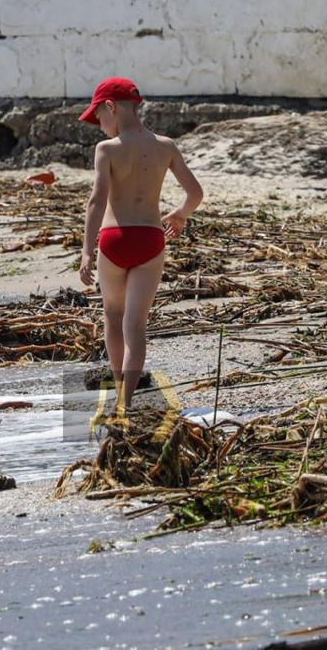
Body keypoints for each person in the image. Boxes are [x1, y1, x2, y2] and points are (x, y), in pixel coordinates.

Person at [78, 77, 204, 413]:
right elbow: (196, 193)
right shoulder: (166, 145)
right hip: (150, 239)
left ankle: (117, 390)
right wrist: (179, 215)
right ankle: (127, 401)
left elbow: (96, 200)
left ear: (111, 107)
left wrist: (86, 250)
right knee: (136, 325)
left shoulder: (107, 149)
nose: (99, 126)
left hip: (115, 239)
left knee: (113, 316)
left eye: (99, 118)